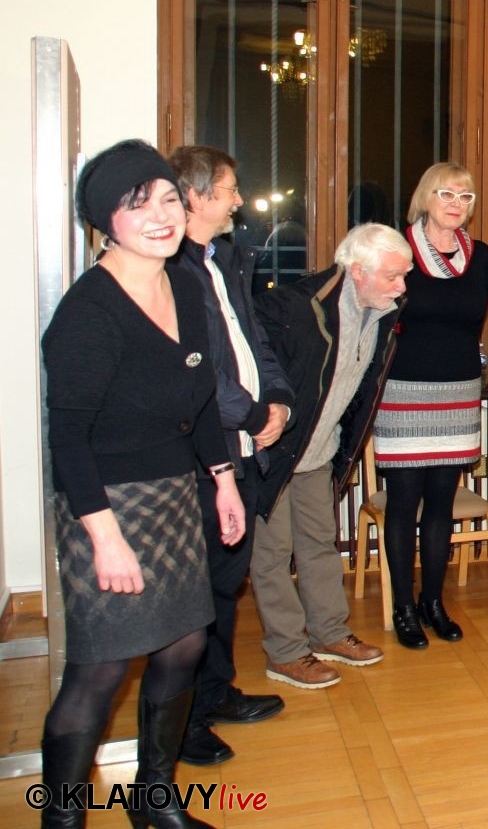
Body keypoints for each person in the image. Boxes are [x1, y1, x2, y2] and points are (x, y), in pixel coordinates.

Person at [40, 140, 245, 828]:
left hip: (176, 494)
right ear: (106, 221)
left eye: (167, 199)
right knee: (98, 672)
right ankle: (61, 819)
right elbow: (68, 439)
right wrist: (105, 539)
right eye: (138, 205)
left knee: (185, 645)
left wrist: (223, 480)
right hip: (106, 507)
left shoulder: (183, 284)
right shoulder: (87, 312)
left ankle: (153, 801)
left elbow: (200, 396)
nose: (161, 216)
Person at [167, 146, 295, 766]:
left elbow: (254, 343)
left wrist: (280, 401)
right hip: (200, 455)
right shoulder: (171, 271)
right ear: (196, 197)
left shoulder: (225, 260)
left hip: (241, 446)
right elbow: (191, 368)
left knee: (224, 584)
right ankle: (184, 724)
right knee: (193, 597)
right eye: (229, 190)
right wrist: (250, 414)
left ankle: (215, 694)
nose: (239, 201)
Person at [250, 223, 411, 689]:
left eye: (403, 276)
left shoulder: (381, 313)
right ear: (357, 271)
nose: (401, 287)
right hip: (275, 453)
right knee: (272, 554)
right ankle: (285, 652)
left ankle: (329, 633)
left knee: (320, 544)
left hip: (319, 451)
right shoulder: (294, 308)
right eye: (392, 276)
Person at [371, 164, 488, 650]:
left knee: (441, 501)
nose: (457, 203)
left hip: (458, 390)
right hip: (402, 390)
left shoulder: (480, 255)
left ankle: (433, 603)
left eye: (466, 196)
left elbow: (473, 321)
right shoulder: (397, 249)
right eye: (447, 193)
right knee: (404, 503)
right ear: (426, 196)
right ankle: (403, 607)